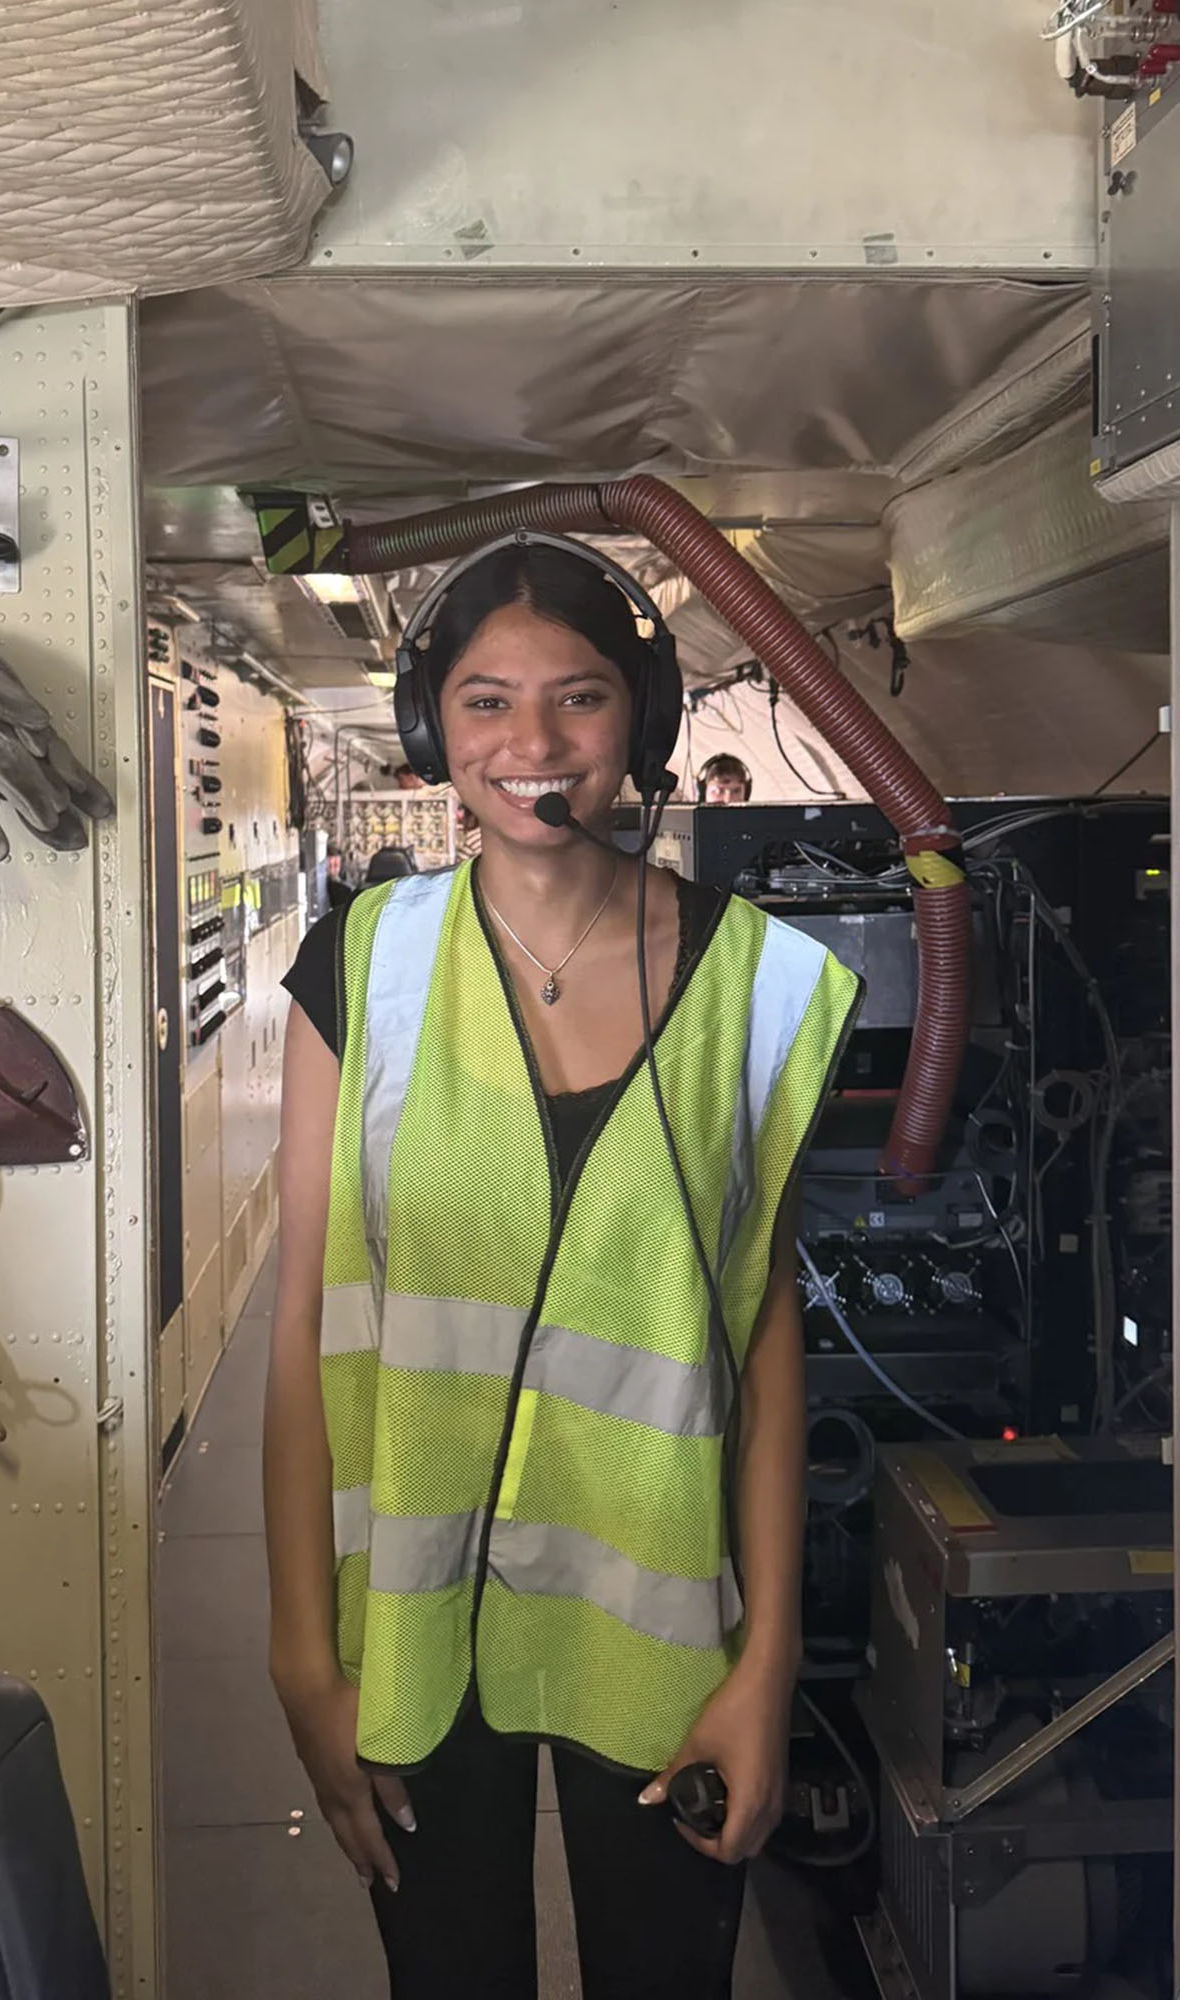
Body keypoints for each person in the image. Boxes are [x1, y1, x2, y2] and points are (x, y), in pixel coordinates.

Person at [264, 540, 859, 2000]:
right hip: (410, 1615)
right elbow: (301, 1332)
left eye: (580, 701)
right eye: (484, 704)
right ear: (430, 730)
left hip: (655, 1622)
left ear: (641, 724)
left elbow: (763, 1337)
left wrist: (765, 1660)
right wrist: (300, 1657)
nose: (531, 749)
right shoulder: (360, 968)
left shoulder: (758, 984)